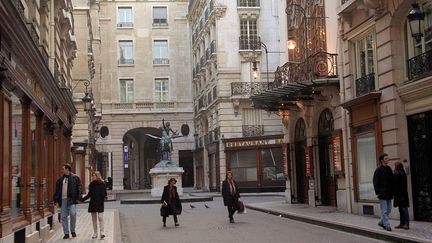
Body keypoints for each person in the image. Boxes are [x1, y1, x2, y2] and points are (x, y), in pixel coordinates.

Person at [53, 163, 82, 239]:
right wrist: (56, 200)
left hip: (71, 199)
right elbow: (57, 190)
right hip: (63, 200)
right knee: (63, 216)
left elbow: (79, 188)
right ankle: (66, 233)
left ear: (67, 169)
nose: (62, 170)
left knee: (73, 214)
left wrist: (79, 198)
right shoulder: (60, 180)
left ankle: (73, 230)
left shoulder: (75, 178)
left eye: (63, 169)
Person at [80, 171, 108, 239]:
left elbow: (104, 194)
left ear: (97, 176)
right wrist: (82, 199)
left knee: (100, 218)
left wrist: (103, 199)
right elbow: (89, 194)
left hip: (100, 203)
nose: (92, 177)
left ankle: (102, 232)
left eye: (93, 176)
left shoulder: (102, 184)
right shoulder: (91, 184)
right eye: (92, 176)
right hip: (93, 203)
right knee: (94, 219)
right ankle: (95, 233)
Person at [373, 153, 394, 231]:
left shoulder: (389, 168)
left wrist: (393, 191)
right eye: (386, 158)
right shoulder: (378, 170)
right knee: (384, 210)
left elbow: (392, 181)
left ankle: (382, 222)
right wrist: (378, 192)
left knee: (389, 209)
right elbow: (375, 181)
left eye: (387, 158)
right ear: (382, 160)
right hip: (382, 193)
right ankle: (387, 225)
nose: (387, 160)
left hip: (389, 193)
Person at [393, 162, 409, 230]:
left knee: (404, 209)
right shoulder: (396, 173)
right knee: (400, 209)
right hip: (398, 195)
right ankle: (401, 223)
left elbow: (403, 186)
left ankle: (406, 224)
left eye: (396, 165)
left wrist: (402, 196)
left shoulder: (402, 174)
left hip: (402, 195)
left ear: (399, 166)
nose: (395, 167)